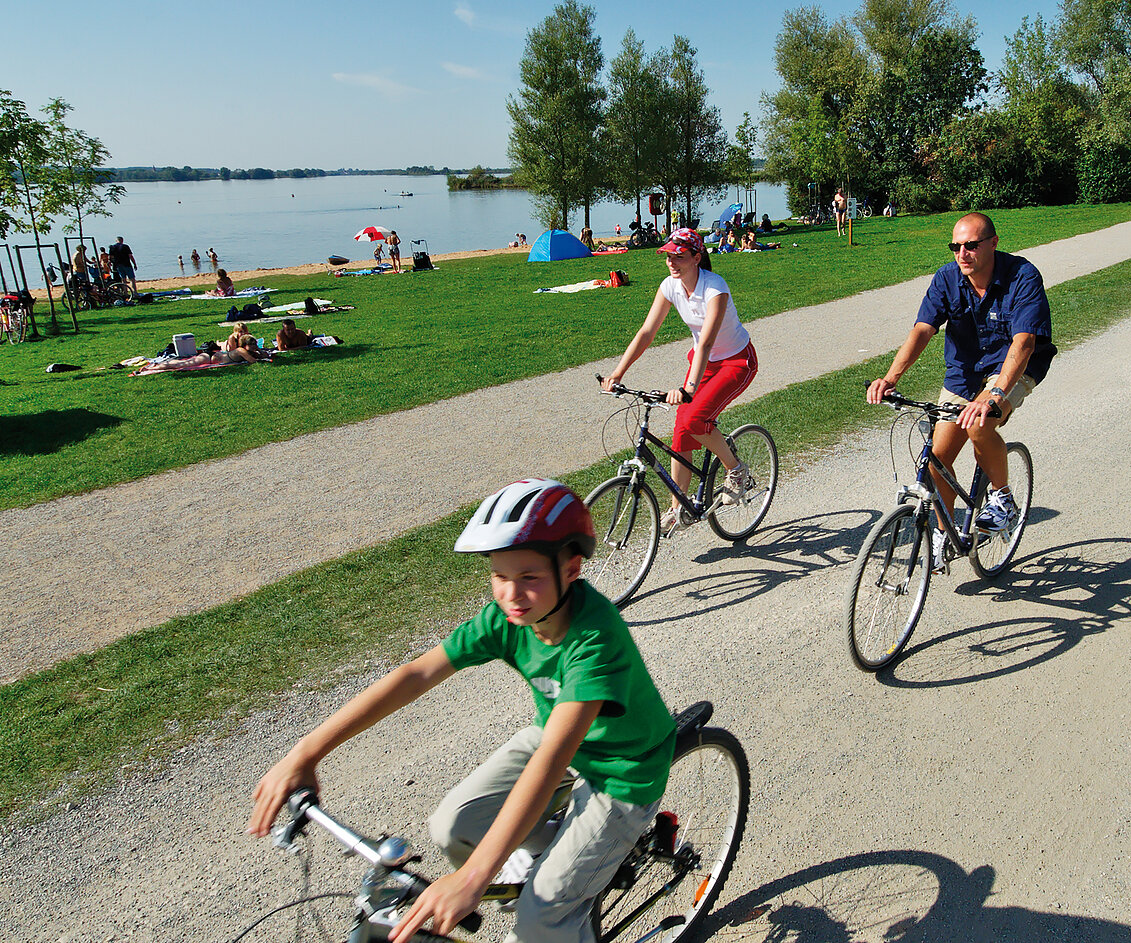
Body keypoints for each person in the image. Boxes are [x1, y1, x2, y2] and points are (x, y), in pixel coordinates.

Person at [248, 478, 676, 943]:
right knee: (452, 825)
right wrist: (306, 752)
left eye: (529, 577)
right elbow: (417, 674)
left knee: (541, 917)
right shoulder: (511, 618)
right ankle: (556, 863)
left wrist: (474, 878)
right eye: (499, 575)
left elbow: (553, 756)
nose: (511, 594)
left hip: (624, 770)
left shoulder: (595, 642)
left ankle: (554, 909)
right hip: (559, 738)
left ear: (571, 569)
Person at [867, 212, 1056, 563]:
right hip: (964, 373)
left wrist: (995, 394)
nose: (962, 253)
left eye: (971, 245)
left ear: (993, 243)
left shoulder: (1022, 276)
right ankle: (944, 534)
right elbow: (923, 329)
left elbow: (1024, 343)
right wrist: (891, 378)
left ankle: (1002, 498)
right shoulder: (947, 278)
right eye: (956, 246)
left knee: (981, 422)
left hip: (1014, 368)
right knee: (936, 459)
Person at [601, 228, 759, 535]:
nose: (672, 262)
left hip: (736, 362)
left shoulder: (715, 288)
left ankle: (736, 471)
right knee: (681, 428)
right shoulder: (670, 286)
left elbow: (706, 343)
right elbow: (647, 332)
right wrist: (618, 373)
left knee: (695, 418)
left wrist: (688, 390)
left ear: (696, 258)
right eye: (668, 256)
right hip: (705, 365)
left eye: (679, 257)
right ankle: (678, 507)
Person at [142, 335, 261, 371]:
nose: (254, 347)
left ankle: (161, 365)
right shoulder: (241, 351)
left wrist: (258, 350)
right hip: (208, 358)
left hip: (213, 356)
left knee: (182, 363)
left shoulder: (246, 351)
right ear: (245, 346)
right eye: (252, 345)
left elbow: (263, 356)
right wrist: (258, 351)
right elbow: (254, 362)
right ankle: (152, 368)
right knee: (182, 365)